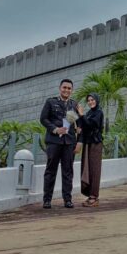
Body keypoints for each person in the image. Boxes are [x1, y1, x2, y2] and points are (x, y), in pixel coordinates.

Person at [40, 78, 82, 209]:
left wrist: (79, 141)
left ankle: (67, 200)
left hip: (69, 142)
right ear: (60, 88)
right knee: (50, 171)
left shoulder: (75, 105)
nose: (66, 90)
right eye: (64, 87)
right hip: (54, 141)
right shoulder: (51, 102)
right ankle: (47, 200)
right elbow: (43, 119)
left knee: (68, 172)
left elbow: (80, 125)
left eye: (69, 88)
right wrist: (55, 129)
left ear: (72, 90)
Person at [76, 93, 104, 207]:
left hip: (95, 144)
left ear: (97, 100)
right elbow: (83, 126)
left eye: (92, 100)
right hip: (88, 144)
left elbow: (91, 125)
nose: (90, 102)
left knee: (94, 170)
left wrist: (82, 115)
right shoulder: (89, 113)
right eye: (89, 100)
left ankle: (94, 197)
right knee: (87, 168)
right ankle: (90, 195)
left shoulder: (99, 112)